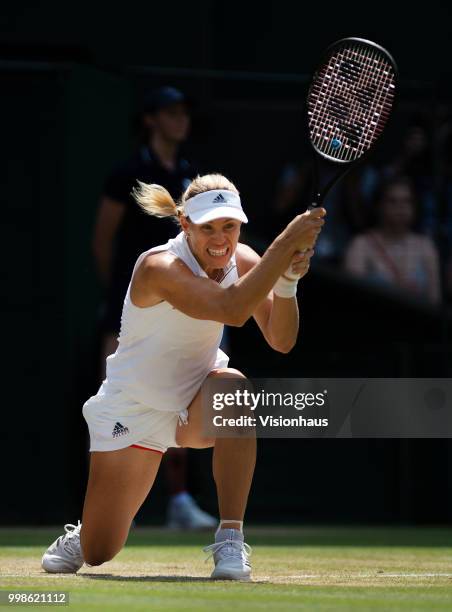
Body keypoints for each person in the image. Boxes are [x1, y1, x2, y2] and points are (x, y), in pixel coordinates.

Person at [41, 173, 325, 580]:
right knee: (100, 551)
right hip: (132, 408)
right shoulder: (158, 267)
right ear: (185, 224)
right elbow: (231, 309)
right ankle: (85, 536)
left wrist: (287, 282)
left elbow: (282, 340)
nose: (220, 238)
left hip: (194, 402)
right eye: (207, 227)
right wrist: (284, 245)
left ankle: (230, 539)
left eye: (229, 226)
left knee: (235, 390)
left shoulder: (243, 260)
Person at [93, 85, 215, 529]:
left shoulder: (188, 177)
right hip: (131, 311)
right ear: (150, 119)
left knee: (177, 401)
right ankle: (106, 508)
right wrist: (127, 301)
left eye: (185, 112)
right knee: (118, 405)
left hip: (182, 312)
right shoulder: (126, 173)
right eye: (171, 112)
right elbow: (103, 241)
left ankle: (178, 501)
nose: (180, 119)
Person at [344, 177, 441, 304]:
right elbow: (350, 298)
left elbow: (435, 301)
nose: (401, 208)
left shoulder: (425, 246)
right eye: (392, 201)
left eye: (407, 201)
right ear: (378, 205)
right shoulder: (361, 245)